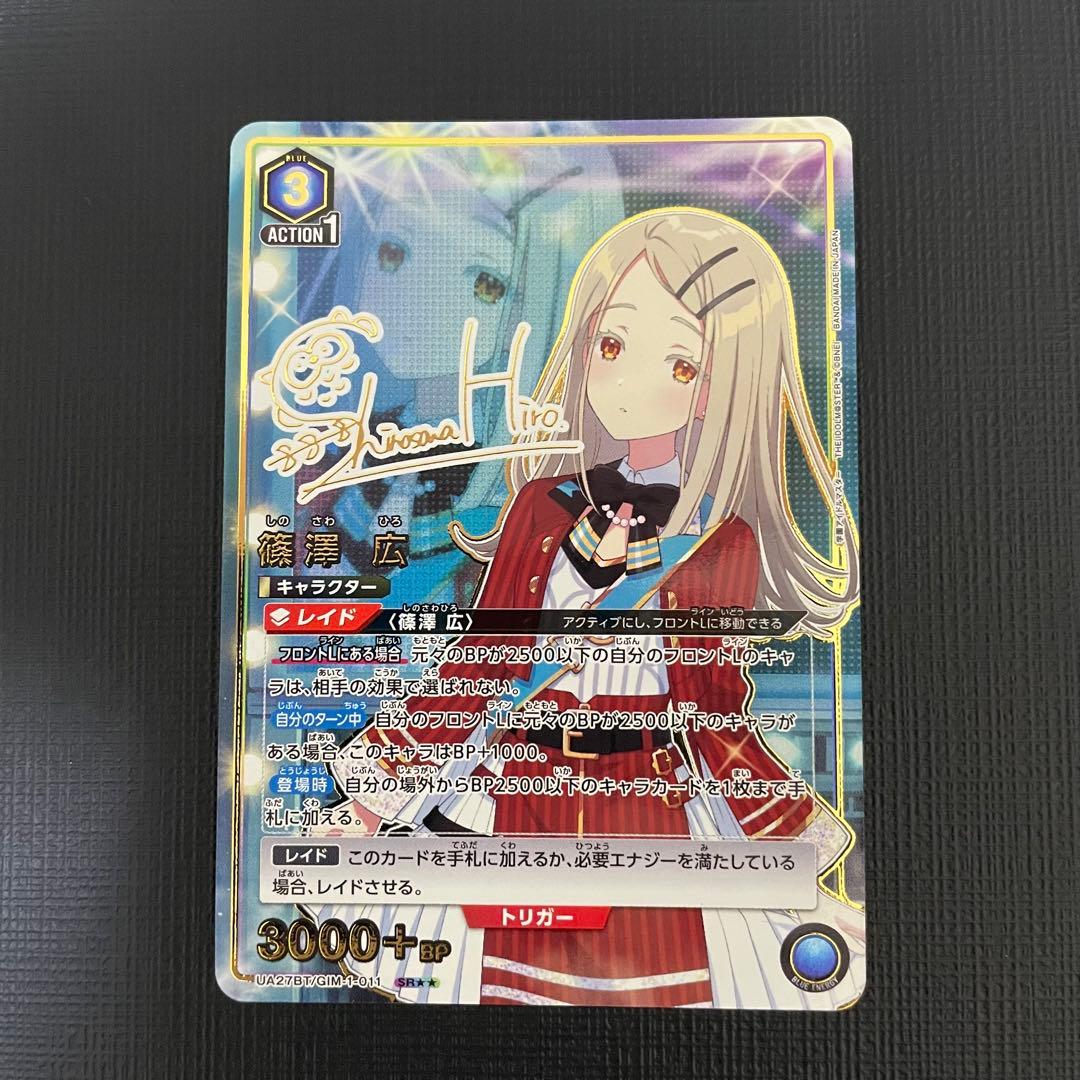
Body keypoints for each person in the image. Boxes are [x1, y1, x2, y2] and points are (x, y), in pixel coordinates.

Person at [315, 207, 864, 1008]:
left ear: (721, 387)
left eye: (682, 365)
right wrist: (370, 800)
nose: (629, 381)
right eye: (612, 345)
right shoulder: (540, 508)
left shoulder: (723, 541)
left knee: (660, 992)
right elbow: (477, 669)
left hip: (646, 805)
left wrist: (789, 845)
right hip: (519, 793)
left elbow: (715, 713)